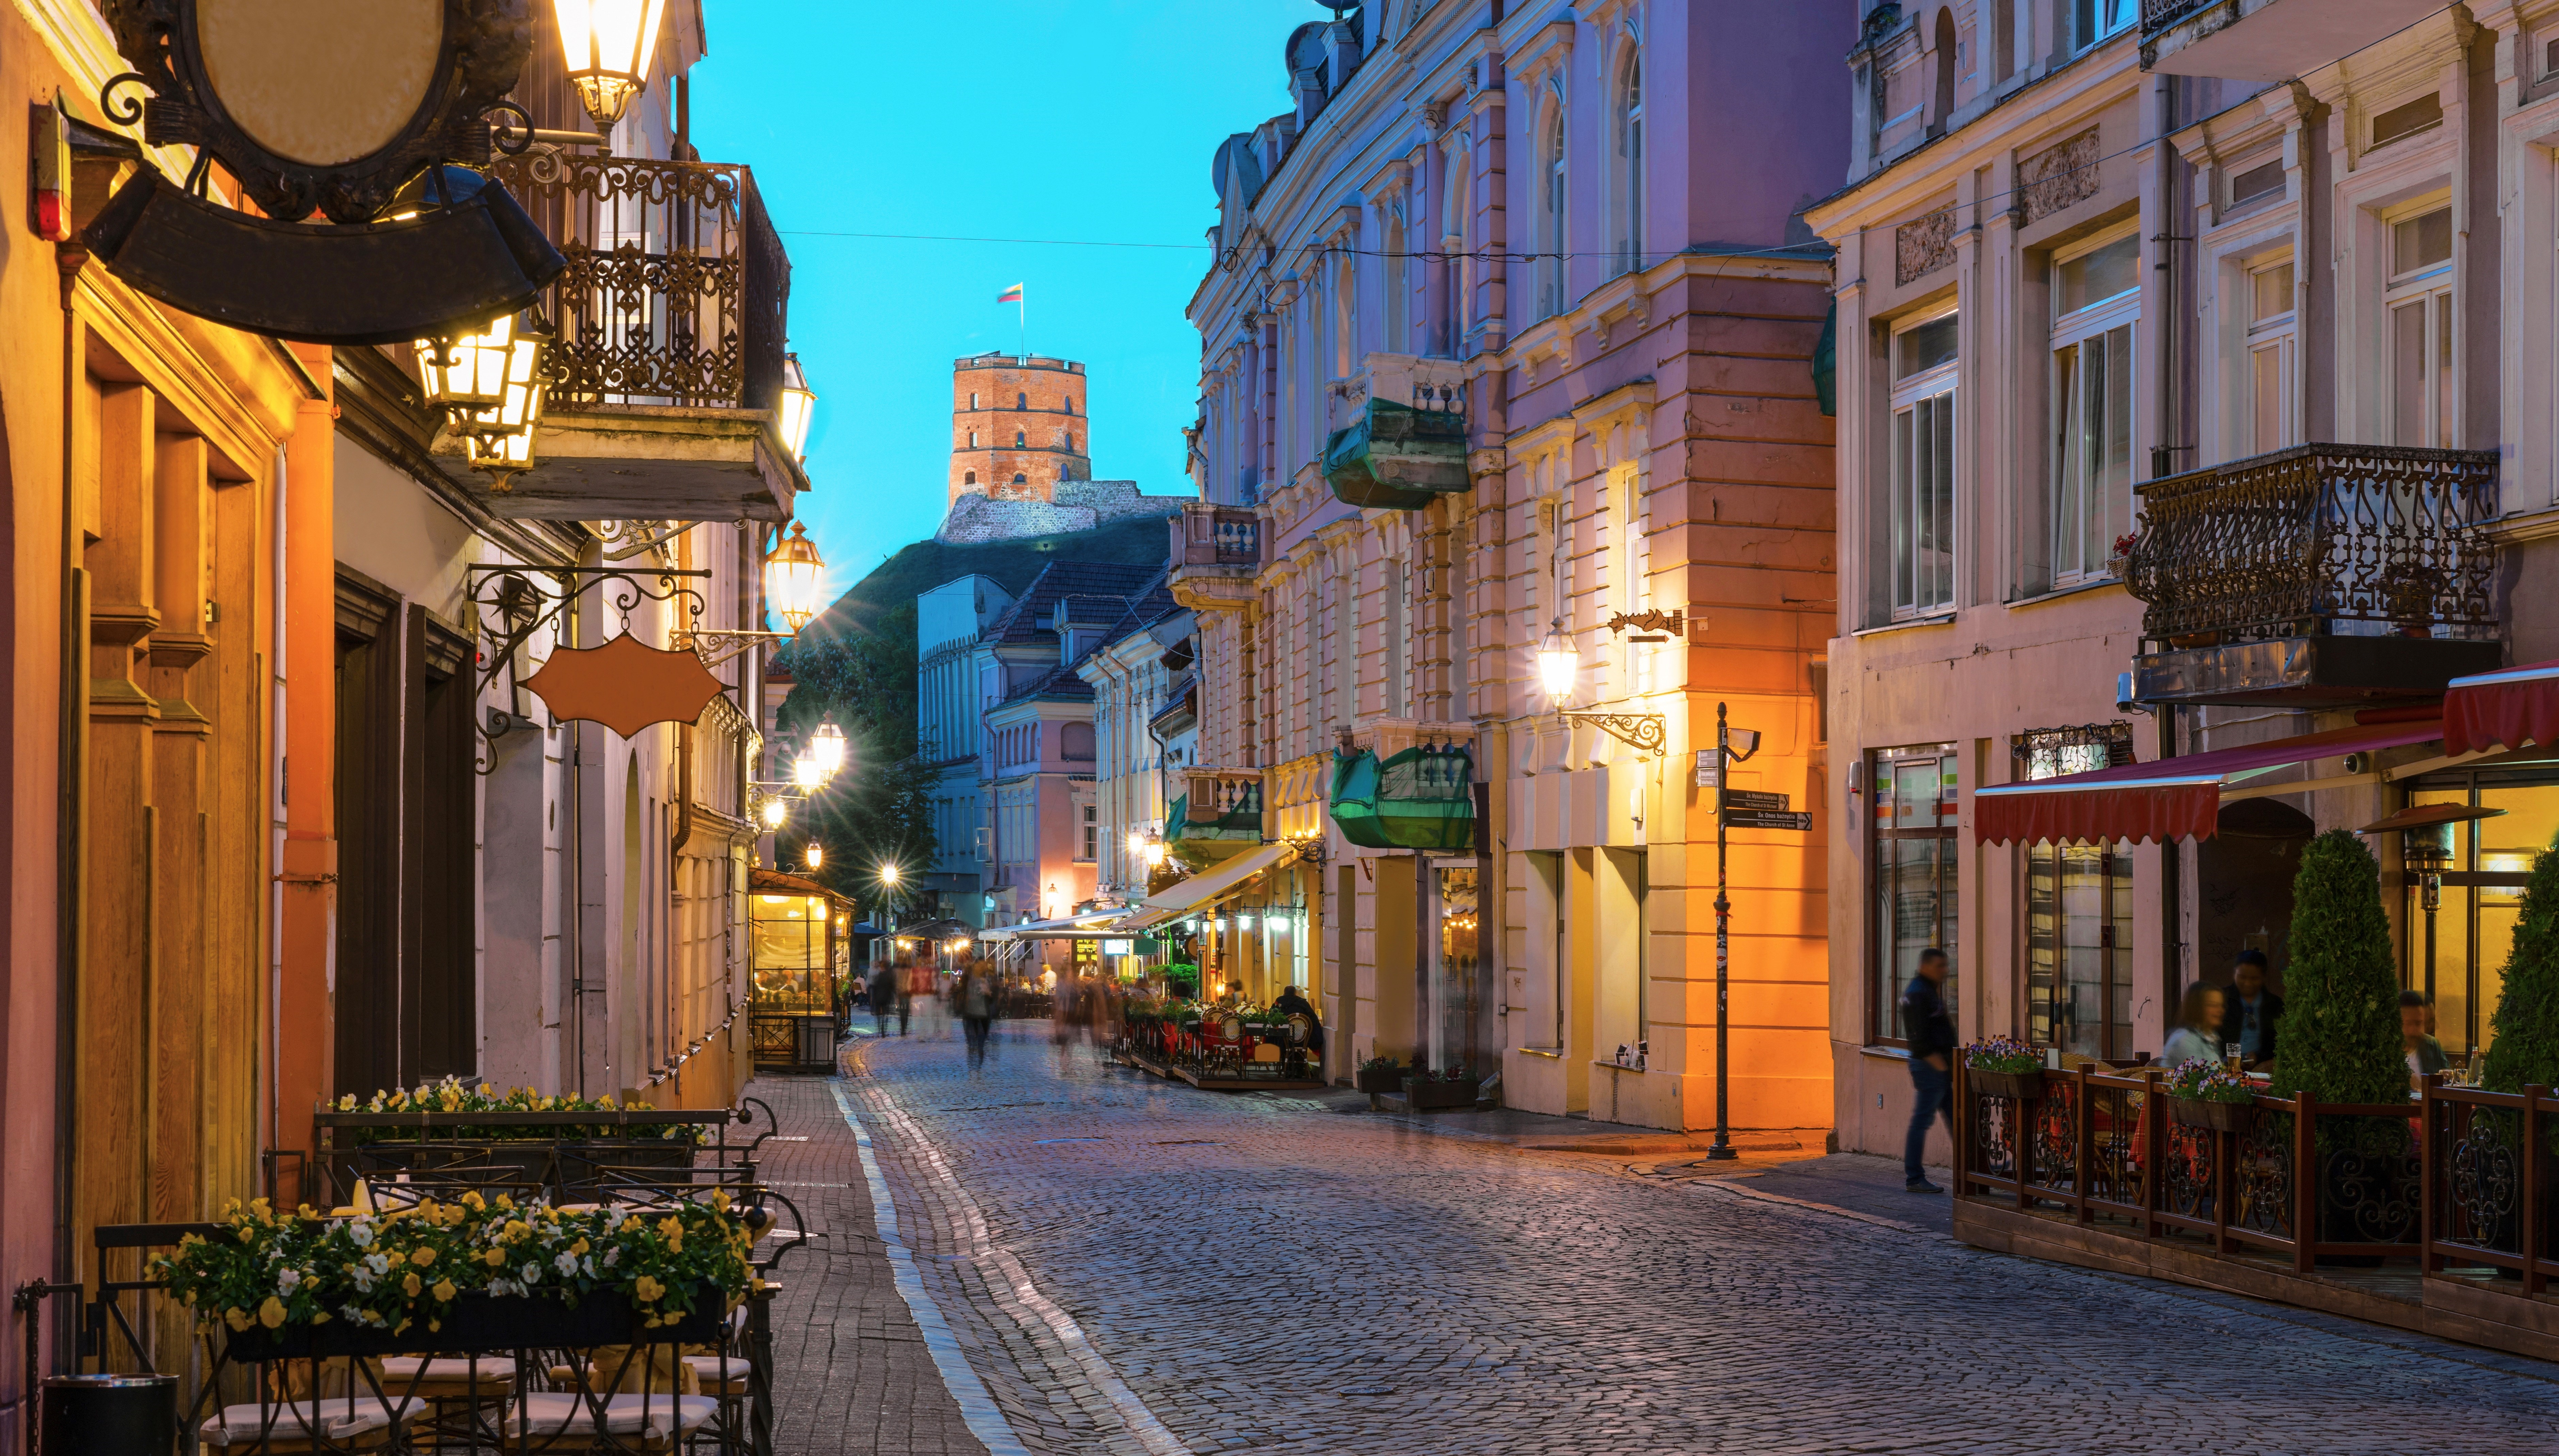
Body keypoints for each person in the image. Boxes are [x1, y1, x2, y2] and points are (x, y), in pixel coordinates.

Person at [1900, 948, 1957, 1195]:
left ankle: (1977, 1170)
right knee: (1922, 1121)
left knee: (1958, 1118)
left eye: (1945, 965)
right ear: (1926, 966)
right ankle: (1914, 1177)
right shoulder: (1918, 993)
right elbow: (1919, 1039)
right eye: (1940, 966)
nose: (1945, 971)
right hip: (1930, 1067)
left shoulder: (1927, 990)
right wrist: (1941, 1065)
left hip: (1938, 1067)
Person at [2217, 950, 2282, 1070]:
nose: (2247, 984)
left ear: (2264, 977)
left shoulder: (2275, 1005)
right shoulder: (2221, 999)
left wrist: (2259, 1057)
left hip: (2262, 1070)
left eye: (2254, 979)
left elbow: (2280, 1045)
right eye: (2242, 977)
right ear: (2234, 973)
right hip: (2224, 1068)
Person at [2160, 981, 2226, 1069]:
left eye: (2221, 1006)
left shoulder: (2210, 1036)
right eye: (2213, 1005)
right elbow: (2201, 1079)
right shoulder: (2185, 1040)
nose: (2221, 1011)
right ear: (2197, 1007)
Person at [2401, 989, 2449, 1087]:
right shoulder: (2385, 1051)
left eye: (2419, 1023)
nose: (2414, 1030)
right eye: (2409, 1024)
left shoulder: (2431, 1045)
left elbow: (2447, 1081)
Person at [958, 960, 997, 1072]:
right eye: (979, 966)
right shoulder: (968, 979)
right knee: (973, 1041)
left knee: (981, 1041)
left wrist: (989, 993)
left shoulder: (987, 979)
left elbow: (992, 998)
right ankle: (973, 1063)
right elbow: (963, 993)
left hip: (984, 1013)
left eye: (983, 966)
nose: (982, 968)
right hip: (971, 1013)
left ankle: (978, 1063)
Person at [869, 960, 906, 1038]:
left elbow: (874, 986)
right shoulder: (889, 976)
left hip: (879, 997)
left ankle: (881, 1028)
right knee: (885, 1014)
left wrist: (874, 997)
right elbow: (892, 987)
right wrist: (895, 995)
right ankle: (884, 1029)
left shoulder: (878, 976)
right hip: (887, 997)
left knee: (879, 1014)